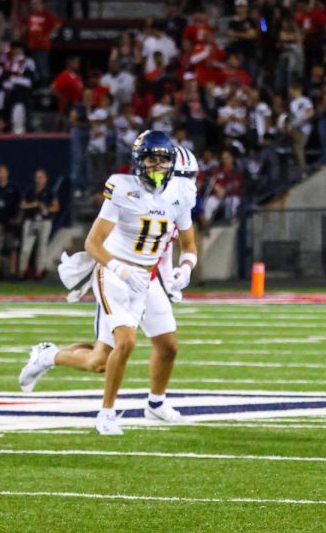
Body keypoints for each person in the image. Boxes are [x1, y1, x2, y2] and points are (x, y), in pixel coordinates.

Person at [17, 133, 198, 436]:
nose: (158, 167)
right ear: (139, 163)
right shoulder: (123, 188)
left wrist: (186, 268)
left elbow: (188, 245)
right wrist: (119, 268)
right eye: (152, 160)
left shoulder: (181, 195)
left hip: (146, 277)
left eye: (164, 161)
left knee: (151, 350)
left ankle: (153, 403)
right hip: (114, 272)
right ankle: (107, 413)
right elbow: (93, 242)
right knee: (126, 342)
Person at [19, 168, 57, 280]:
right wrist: (34, 204)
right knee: (26, 247)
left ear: (45, 179)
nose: (39, 179)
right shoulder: (30, 191)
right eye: (37, 177)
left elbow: (56, 207)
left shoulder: (50, 192)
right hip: (31, 221)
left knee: (42, 247)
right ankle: (22, 272)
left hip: (44, 221)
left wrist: (46, 208)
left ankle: (39, 272)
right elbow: (22, 205)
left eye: (41, 177)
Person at [0, 164, 22, 279]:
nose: (1, 174)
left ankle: (12, 273)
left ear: (7, 173)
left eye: (3, 171)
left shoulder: (13, 188)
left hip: (11, 222)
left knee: (13, 248)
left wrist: (18, 218)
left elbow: (20, 205)